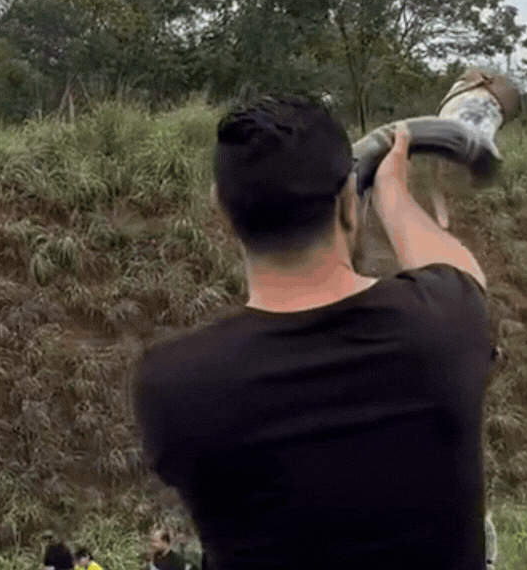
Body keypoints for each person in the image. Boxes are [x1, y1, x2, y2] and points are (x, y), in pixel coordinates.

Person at [132, 96, 494, 570]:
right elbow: (458, 270)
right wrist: (391, 193)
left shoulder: (172, 385)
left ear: (220, 210)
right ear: (348, 200)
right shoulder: (445, 326)